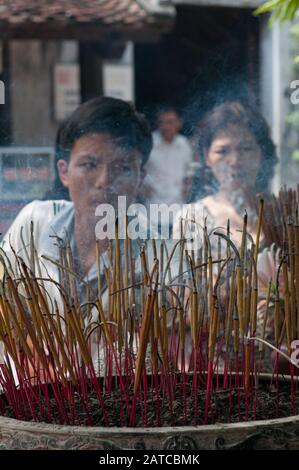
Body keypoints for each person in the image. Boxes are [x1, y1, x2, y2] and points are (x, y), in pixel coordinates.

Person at [173, 101, 278, 248]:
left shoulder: (283, 213)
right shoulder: (192, 219)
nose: (235, 161)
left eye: (246, 148)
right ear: (207, 157)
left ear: (262, 153)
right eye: (222, 151)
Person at [141, 106, 193, 208]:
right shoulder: (149, 142)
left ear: (179, 123)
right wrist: (142, 190)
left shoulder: (184, 144)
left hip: (178, 205)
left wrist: (186, 191)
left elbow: (189, 172)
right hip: (153, 205)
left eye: (169, 122)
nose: (165, 126)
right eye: (161, 122)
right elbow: (139, 168)